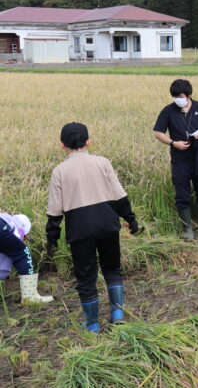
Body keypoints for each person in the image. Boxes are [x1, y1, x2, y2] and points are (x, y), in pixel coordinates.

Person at [46, 122, 142, 332]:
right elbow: (120, 197)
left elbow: (54, 212)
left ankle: (92, 325)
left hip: (80, 230)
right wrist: (131, 221)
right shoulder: (102, 162)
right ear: (88, 141)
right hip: (108, 224)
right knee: (112, 269)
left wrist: (51, 240)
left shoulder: (59, 171)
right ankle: (117, 314)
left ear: (62, 145)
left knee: (86, 277)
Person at [153, 79, 198, 240]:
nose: (177, 99)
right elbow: (158, 132)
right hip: (180, 159)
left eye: (180, 96)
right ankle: (187, 228)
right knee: (182, 194)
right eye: (174, 96)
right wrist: (172, 143)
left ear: (189, 95)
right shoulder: (168, 111)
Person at [0, 213, 53, 303]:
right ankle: (30, 297)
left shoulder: (6, 218)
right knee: (22, 253)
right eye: (25, 237)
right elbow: (8, 257)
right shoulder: (18, 229)